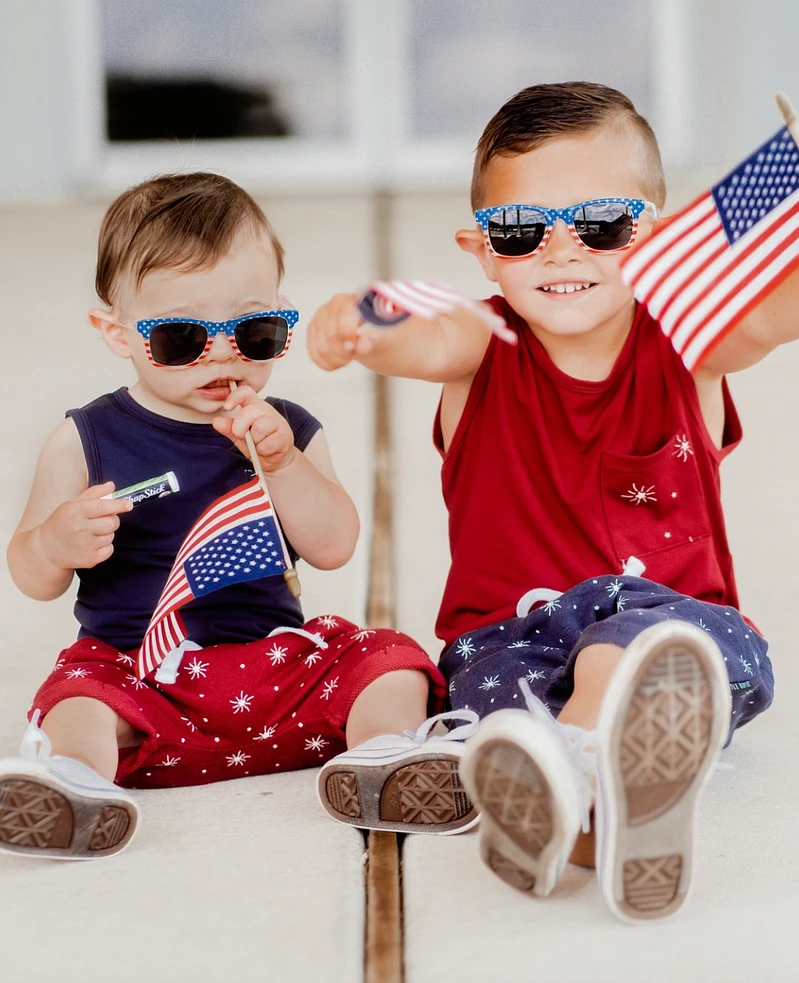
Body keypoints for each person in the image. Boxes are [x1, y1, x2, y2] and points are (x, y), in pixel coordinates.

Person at [306, 82, 793, 922]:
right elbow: (428, 336)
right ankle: (598, 822)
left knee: (632, 643)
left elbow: (771, 315)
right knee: (499, 722)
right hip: (506, 641)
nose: (562, 254)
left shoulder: (688, 342)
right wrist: (365, 323)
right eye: (522, 233)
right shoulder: (481, 346)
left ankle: (584, 755)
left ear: (657, 234)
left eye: (601, 225)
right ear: (483, 251)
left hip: (678, 639)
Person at [0, 172, 480, 861]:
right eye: (179, 340)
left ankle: (384, 757)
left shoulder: (288, 429)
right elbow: (32, 574)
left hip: (273, 671)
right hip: (144, 677)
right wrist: (54, 541)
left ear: (280, 319)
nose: (222, 354)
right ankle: (73, 782)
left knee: (390, 660)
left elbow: (335, 544)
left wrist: (285, 466)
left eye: (253, 334)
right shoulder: (86, 437)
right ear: (118, 334)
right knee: (78, 694)